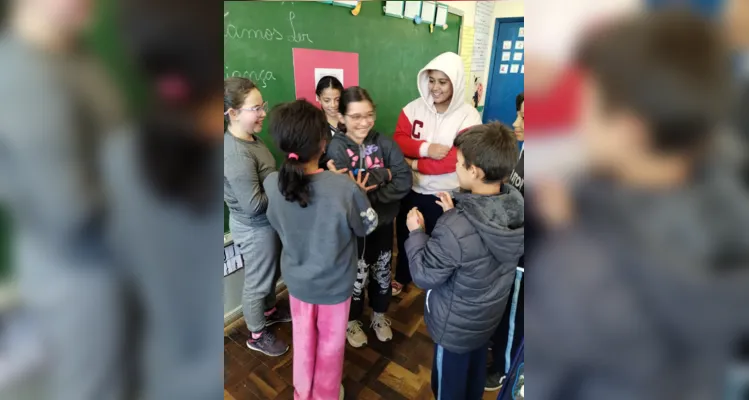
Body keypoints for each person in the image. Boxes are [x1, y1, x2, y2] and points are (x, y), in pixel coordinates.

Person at [528, 11, 749, 399]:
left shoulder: (574, 275)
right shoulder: (732, 196)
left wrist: (569, 241)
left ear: (629, 130)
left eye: (589, 103)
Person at [0, 0, 125, 398]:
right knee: (93, 386)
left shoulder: (75, 54)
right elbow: (69, 209)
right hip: (80, 271)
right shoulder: (24, 75)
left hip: (109, 259)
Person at [263, 99, 379, 400]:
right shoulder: (344, 188)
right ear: (323, 143)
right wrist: (361, 195)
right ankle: (326, 394)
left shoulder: (273, 183)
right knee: (330, 345)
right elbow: (367, 226)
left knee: (303, 341)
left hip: (298, 284)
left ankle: (303, 393)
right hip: (335, 285)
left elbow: (275, 222)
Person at [405, 122, 524, 400]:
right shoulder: (516, 204)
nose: (455, 167)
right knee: (473, 381)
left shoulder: (454, 227)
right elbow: (479, 242)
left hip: (454, 329)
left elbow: (423, 274)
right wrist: (454, 210)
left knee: (449, 388)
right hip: (485, 321)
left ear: (475, 171)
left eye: (459, 163)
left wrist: (416, 233)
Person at [326, 87, 412, 348]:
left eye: (369, 115)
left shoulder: (385, 143)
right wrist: (384, 174)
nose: (364, 122)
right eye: (355, 117)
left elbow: (404, 180)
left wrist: (364, 192)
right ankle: (352, 321)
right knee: (355, 276)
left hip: (384, 224)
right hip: (352, 230)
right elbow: (343, 192)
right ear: (342, 118)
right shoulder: (336, 148)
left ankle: (379, 315)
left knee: (382, 270)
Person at [393, 51, 482, 295]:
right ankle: (403, 275)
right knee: (406, 235)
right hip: (411, 189)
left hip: (446, 193)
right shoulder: (412, 108)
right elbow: (399, 140)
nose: (435, 88)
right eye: (431, 80)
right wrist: (426, 148)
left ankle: (434, 283)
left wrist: (416, 163)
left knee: (440, 240)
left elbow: (458, 158)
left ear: (455, 83)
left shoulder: (469, 116)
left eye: (442, 82)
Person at [224, 77, 290, 357]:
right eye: (256, 108)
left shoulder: (250, 137)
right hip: (255, 227)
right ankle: (257, 333)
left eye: (262, 106)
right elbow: (253, 205)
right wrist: (280, 186)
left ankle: (270, 310)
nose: (264, 112)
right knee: (258, 280)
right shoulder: (235, 153)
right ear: (233, 113)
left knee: (270, 272)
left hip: (267, 224)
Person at [486, 92, 525, 392]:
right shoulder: (525, 150)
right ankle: (498, 347)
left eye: (524, 117)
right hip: (510, 247)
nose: (516, 122)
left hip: (524, 258)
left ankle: (504, 367)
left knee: (515, 313)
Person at [316, 76, 344, 169]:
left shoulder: (350, 120)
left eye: (338, 100)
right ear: (319, 98)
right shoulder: (315, 124)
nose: (333, 105)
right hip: (324, 177)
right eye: (327, 100)